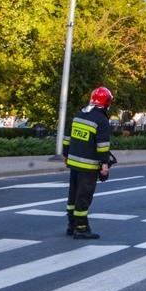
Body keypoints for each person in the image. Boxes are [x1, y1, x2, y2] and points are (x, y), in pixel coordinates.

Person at [63, 86, 113, 240]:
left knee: (73, 195)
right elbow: (102, 145)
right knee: (83, 197)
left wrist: (66, 155)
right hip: (89, 166)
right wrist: (104, 164)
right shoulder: (102, 120)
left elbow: (67, 138)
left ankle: (71, 225)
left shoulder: (79, 115)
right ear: (107, 102)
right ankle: (81, 229)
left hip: (74, 163)